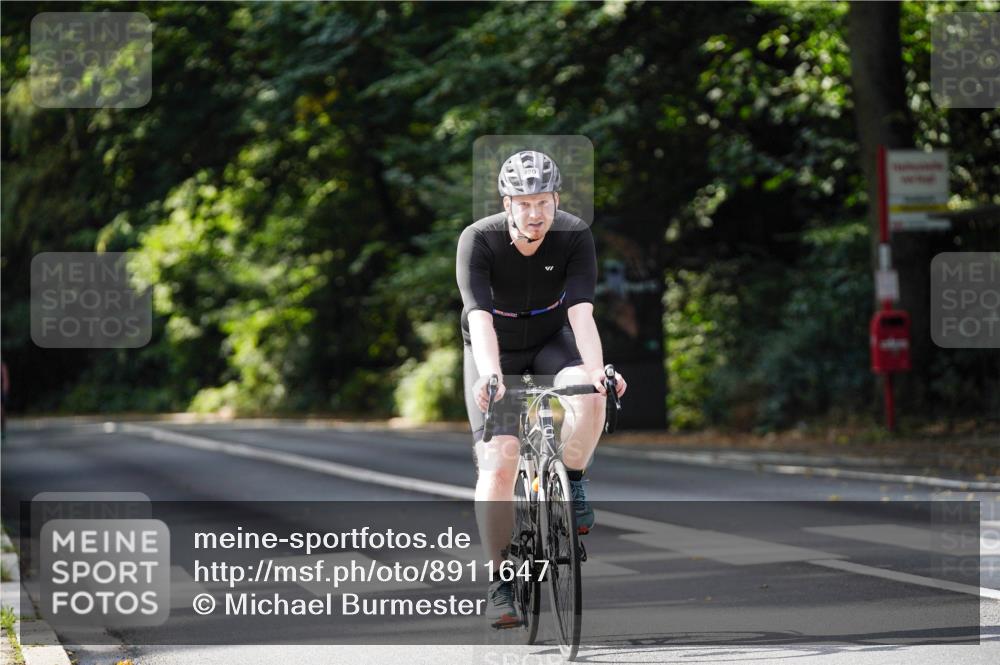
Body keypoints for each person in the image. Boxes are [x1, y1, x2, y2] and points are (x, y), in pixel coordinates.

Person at [455, 150, 627, 629]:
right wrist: (490, 376)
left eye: (544, 203)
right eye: (524, 203)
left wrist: (596, 369)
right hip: (498, 351)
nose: (535, 215)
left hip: (553, 340)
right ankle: (501, 581)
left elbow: (581, 314)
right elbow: (479, 319)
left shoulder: (574, 235)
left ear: (556, 200)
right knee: (501, 457)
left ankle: (572, 478)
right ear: (507, 203)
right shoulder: (479, 241)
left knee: (590, 392)